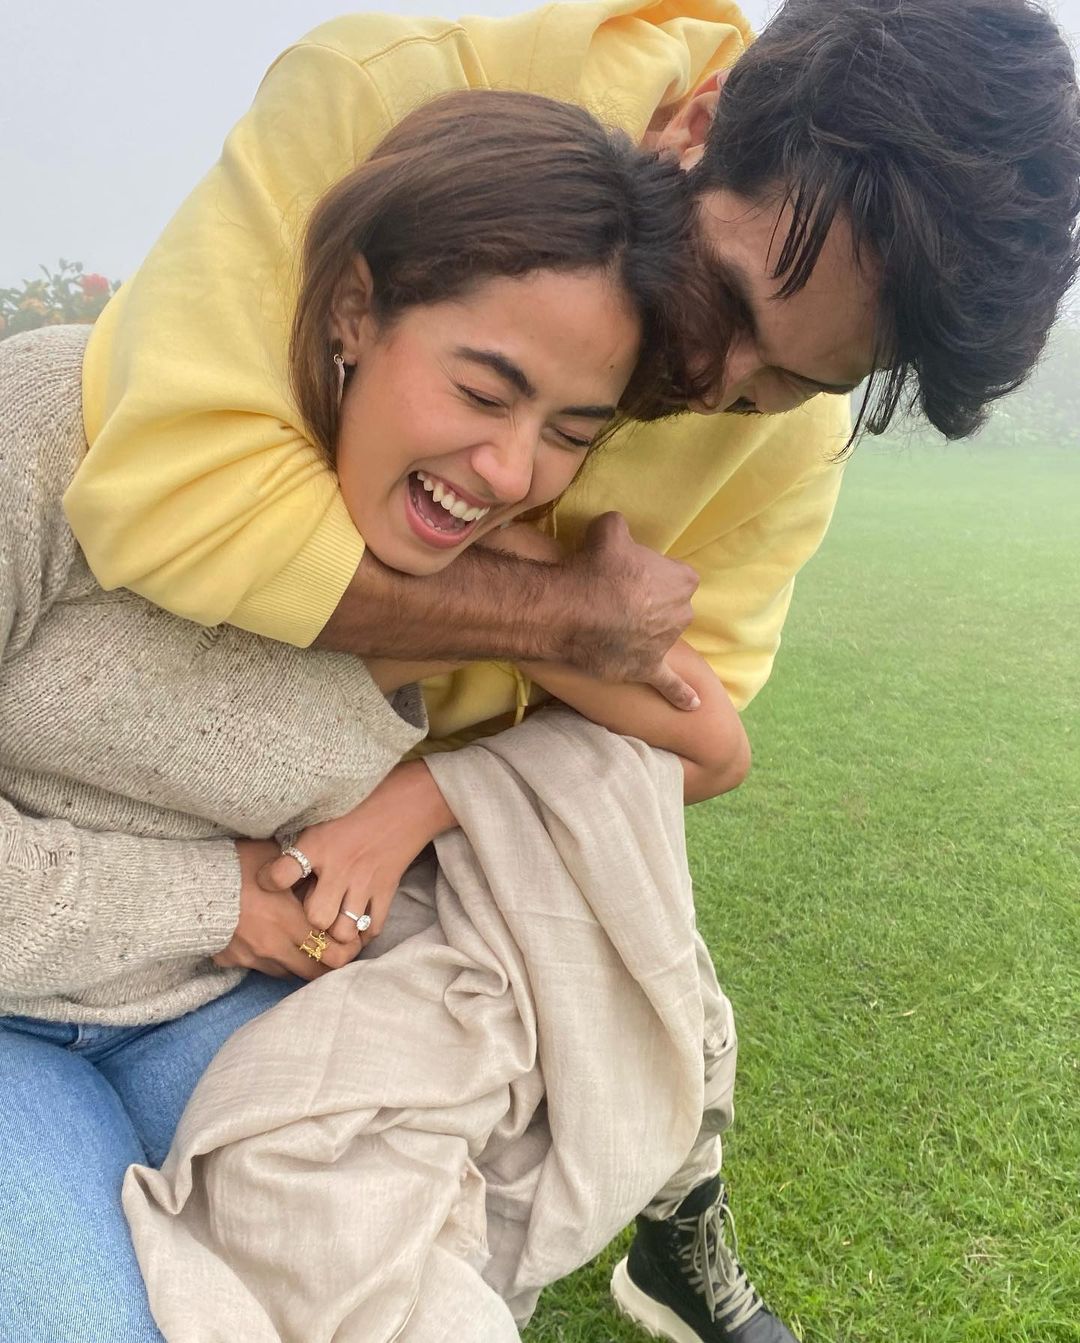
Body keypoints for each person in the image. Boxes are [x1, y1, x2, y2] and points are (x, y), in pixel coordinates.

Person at [61, 1, 1080, 1341]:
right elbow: (165, 491)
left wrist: (424, 802)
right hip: (142, 843)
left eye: (792, 380)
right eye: (730, 303)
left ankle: (677, 1198)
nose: (714, 378)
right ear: (699, 121)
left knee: (565, 1071)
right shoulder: (380, 101)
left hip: (367, 884)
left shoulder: (784, 440)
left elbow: (686, 737)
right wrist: (561, 616)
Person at [0, 91, 749, 1343]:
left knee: (416, 1306)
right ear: (355, 308)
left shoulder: (485, 575)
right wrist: (217, 902)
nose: (508, 470)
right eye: (484, 389)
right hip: (34, 1009)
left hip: (217, 1017)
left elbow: (710, 745)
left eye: (568, 431)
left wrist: (449, 765)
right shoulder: (57, 426)